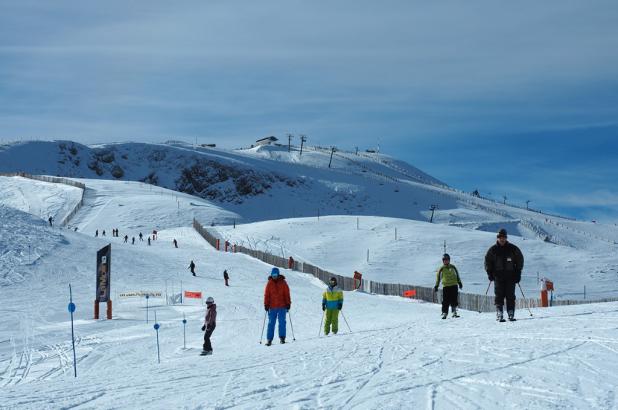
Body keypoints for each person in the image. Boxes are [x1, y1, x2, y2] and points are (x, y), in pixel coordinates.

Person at [485, 229, 524, 322]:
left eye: (504, 238)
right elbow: (487, 261)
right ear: (497, 238)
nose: (502, 239)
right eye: (500, 238)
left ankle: (511, 313)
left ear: (506, 238)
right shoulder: (493, 250)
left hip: (511, 276)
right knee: (499, 295)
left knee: (510, 295)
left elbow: (520, 260)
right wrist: (489, 272)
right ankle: (499, 313)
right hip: (498, 276)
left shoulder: (513, 249)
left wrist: (518, 272)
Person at [263, 267, 291, 346]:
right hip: (272, 307)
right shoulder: (269, 283)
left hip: (282, 306)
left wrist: (288, 303)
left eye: (275, 274)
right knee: (271, 323)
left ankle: (282, 338)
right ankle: (269, 339)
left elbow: (287, 294)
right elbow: (266, 295)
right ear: (271, 275)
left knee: (282, 322)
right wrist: (266, 304)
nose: (274, 276)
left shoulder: (283, 283)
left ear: (278, 274)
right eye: (273, 275)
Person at [434, 253, 463, 319]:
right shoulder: (441, 269)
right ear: (443, 261)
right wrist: (436, 286)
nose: (446, 261)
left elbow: (457, 275)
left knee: (454, 299)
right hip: (446, 286)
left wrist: (460, 283)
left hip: (454, 285)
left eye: (447, 260)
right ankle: (445, 313)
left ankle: (454, 312)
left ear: (449, 260)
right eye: (445, 260)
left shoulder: (453, 267)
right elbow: (438, 278)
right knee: (445, 300)